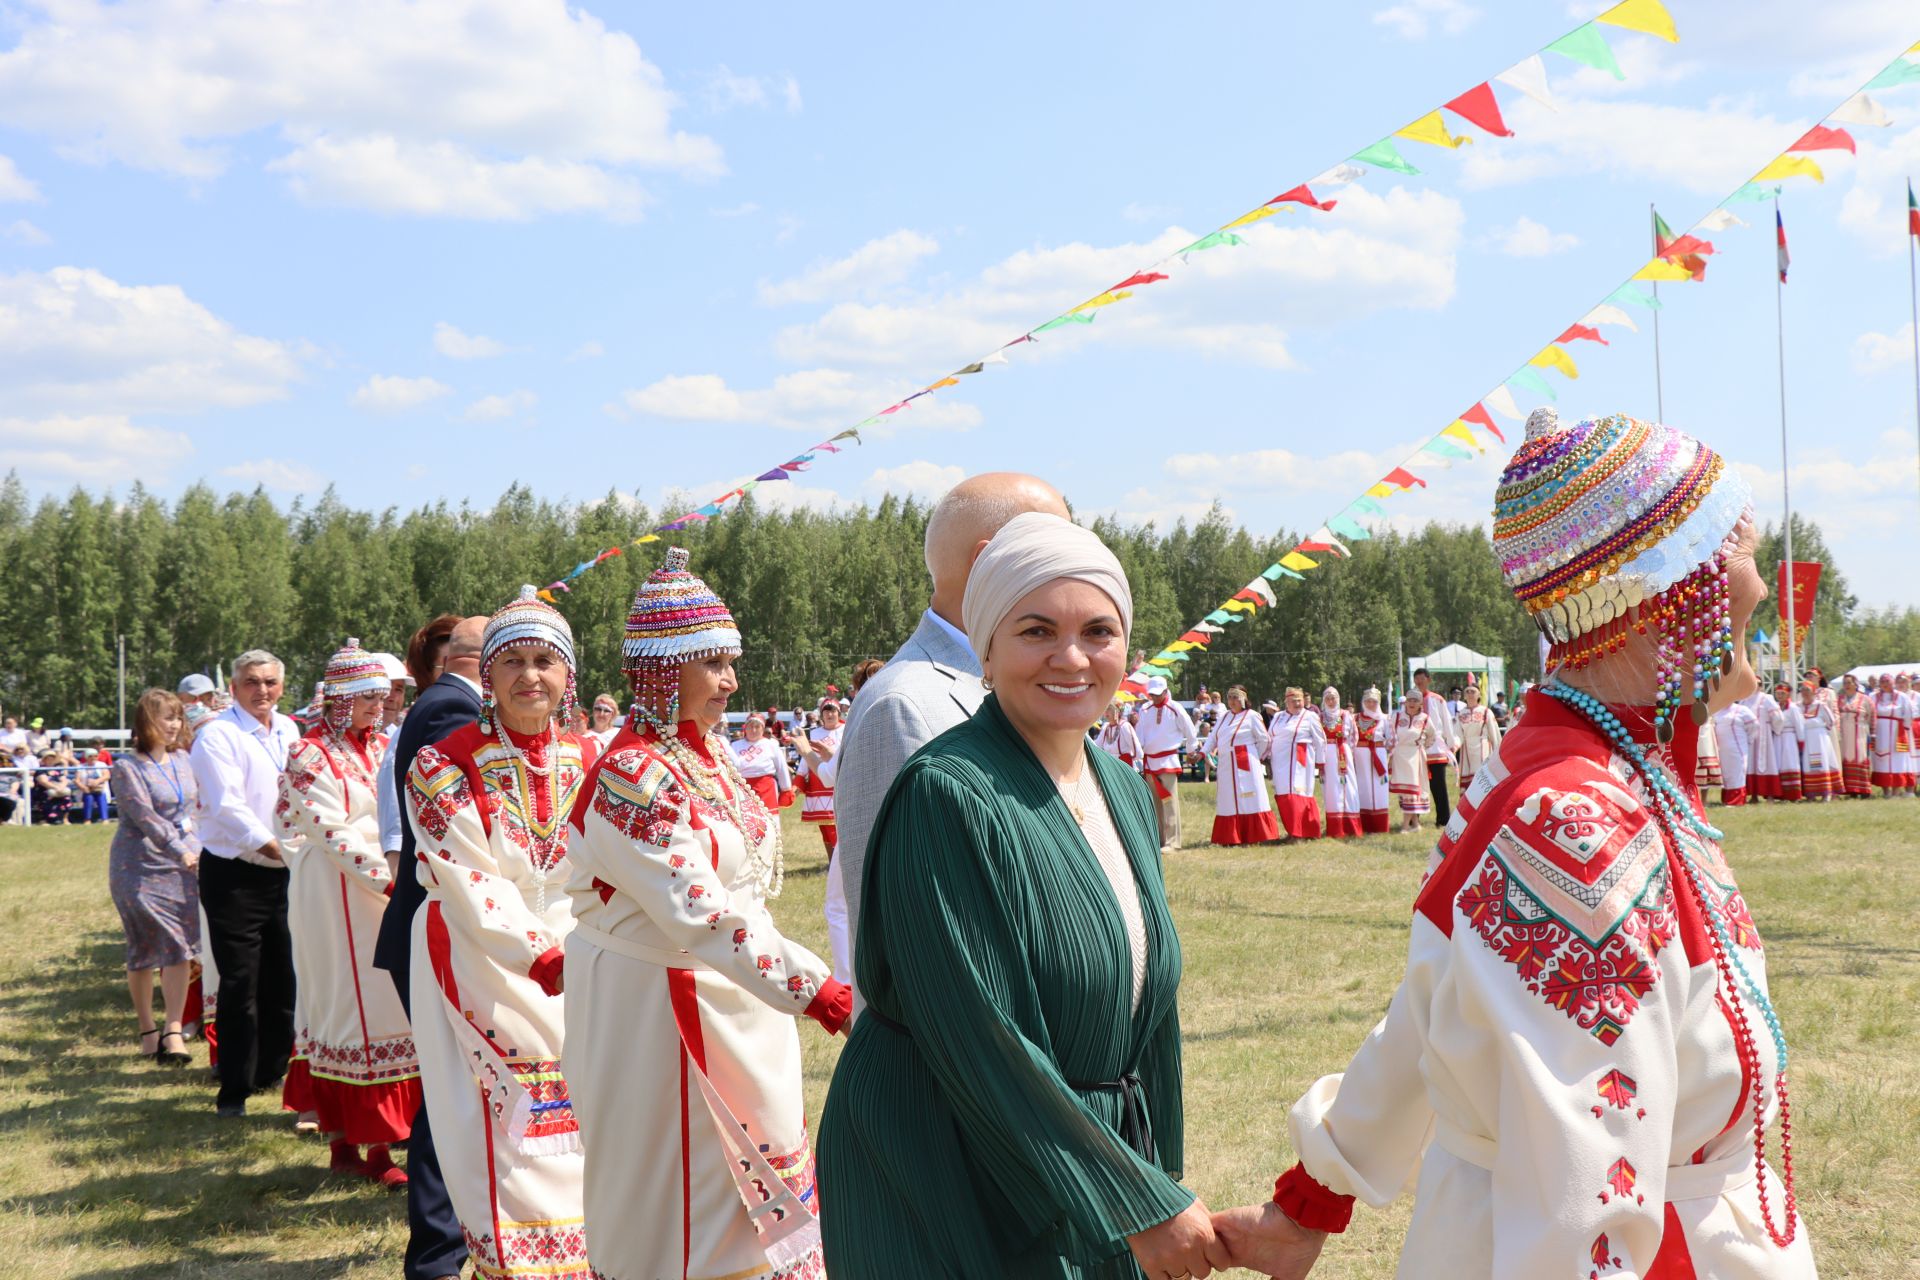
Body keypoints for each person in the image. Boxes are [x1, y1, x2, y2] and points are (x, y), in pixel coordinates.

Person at [1213, 408, 1816, 1280]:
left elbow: (1433, 1003)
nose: (1763, 588)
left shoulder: (1569, 768)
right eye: (1746, 555)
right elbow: (1580, 1194)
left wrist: (1316, 1197)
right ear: (1678, 589)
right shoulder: (1575, 822)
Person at [820, 511, 1225, 1280]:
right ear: (987, 647)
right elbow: (978, 1038)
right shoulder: (946, 795)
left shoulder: (1124, 791)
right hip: (951, 1171)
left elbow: (1149, 1021)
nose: (1071, 658)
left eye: (1098, 632)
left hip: (1076, 1163)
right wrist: (1131, 1202)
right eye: (1037, 630)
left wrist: (1156, 1180)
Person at [563, 548, 848, 1280]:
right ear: (663, 670)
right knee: (678, 1180)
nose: (731, 680)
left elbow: (738, 896)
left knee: (754, 1155)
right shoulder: (631, 776)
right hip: (659, 1003)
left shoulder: (709, 756)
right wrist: (817, 989)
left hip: (732, 989)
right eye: (713, 663)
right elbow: (699, 911)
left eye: (730, 662)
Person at [405, 590, 595, 1280]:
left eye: (545, 660)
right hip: (477, 955)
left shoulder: (594, 758)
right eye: (511, 660)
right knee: (507, 1136)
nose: (529, 676)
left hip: (581, 961)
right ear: (485, 674)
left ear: (568, 674)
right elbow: (466, 878)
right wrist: (543, 954)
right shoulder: (441, 764)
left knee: (585, 1128)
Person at [830, 471, 1071, 1002]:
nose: (1075, 567)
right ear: (987, 560)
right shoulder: (907, 706)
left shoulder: (1028, 683)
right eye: (1054, 548)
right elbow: (916, 946)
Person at [273, 639, 418, 1186]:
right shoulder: (309, 753)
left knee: (384, 1008)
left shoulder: (381, 747)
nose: (376, 707)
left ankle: (375, 1140)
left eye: (380, 698)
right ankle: (354, 1144)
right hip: (334, 894)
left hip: (375, 892)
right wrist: (386, 877)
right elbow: (327, 828)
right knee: (342, 1005)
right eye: (365, 698)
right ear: (338, 699)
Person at [376, 614, 486, 1280]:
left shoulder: (444, 703)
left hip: (443, 925)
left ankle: (454, 1241)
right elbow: (468, 831)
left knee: (457, 1088)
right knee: (452, 1090)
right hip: (447, 926)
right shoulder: (450, 711)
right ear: (481, 659)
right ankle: (440, 1254)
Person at [190, 649, 300, 1118]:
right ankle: (233, 1088)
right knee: (239, 980)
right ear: (233, 689)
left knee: (284, 975)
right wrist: (275, 847)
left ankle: (272, 1069)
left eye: (271, 682)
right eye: (252, 682)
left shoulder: (290, 729)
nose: (263, 691)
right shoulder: (217, 736)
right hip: (236, 872)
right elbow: (227, 806)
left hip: (286, 870)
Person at [109, 689, 201, 1065]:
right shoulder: (127, 766)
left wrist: (199, 849)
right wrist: (181, 849)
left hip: (185, 864)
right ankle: (148, 1029)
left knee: (180, 944)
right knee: (146, 947)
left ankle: (174, 1030)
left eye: (177, 717)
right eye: (166, 717)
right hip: (140, 867)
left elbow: (195, 809)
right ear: (146, 721)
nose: (174, 724)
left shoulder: (184, 760)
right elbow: (145, 818)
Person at [1203, 685, 1278, 845]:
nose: (1232, 701)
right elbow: (1212, 738)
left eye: (1235, 697)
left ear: (1243, 699)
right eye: (1229, 697)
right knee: (1228, 798)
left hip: (1246, 761)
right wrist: (1202, 752)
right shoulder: (1223, 717)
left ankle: (1256, 835)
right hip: (1226, 763)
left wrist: (1254, 755)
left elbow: (1264, 739)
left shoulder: (1252, 716)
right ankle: (1231, 836)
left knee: (1250, 797)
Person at [1136, 677, 1198, 852]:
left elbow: (1189, 729)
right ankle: (1159, 839)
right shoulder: (1145, 709)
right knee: (1154, 802)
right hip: (1150, 760)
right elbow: (1139, 734)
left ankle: (1172, 841)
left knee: (1169, 801)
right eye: (1152, 694)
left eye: (1157, 694)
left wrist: (1192, 748)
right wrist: (1139, 755)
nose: (1154, 698)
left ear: (1165, 691)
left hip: (1168, 759)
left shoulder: (1175, 708)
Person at [1266, 688, 1325, 841]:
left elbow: (1320, 740)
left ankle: (1303, 832)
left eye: (1300, 700)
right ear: (1286, 702)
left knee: (1298, 794)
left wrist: (1321, 762)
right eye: (1294, 701)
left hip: (1299, 761)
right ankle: (1292, 830)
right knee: (1283, 794)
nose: (1298, 704)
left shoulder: (1310, 716)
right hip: (1279, 761)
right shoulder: (1278, 716)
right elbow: (1270, 736)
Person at [796, 698, 843, 857]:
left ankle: (840, 860)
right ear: (822, 714)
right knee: (824, 828)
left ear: (838, 713)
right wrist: (799, 780)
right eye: (826, 711)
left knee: (837, 826)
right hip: (818, 782)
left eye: (833, 711)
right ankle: (831, 860)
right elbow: (806, 757)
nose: (830, 714)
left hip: (838, 782)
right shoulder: (814, 733)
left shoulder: (846, 730)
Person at [1411, 668, 1457, 826]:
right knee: (1416, 785)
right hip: (1415, 748)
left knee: (1439, 785)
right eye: (1416, 679)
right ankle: (1414, 819)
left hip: (1436, 748)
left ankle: (1443, 819)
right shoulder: (1410, 701)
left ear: (1428, 680)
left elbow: (1447, 722)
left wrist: (1451, 744)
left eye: (1422, 679)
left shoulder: (1438, 700)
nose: (1419, 682)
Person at [1386, 691, 1436, 833]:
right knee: (1405, 791)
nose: (1412, 703)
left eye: (1415, 700)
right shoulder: (1396, 717)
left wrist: (1421, 746)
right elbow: (1389, 735)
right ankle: (1415, 824)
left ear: (1421, 703)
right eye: (1409, 700)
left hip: (1415, 756)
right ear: (1405, 702)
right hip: (1400, 756)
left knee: (1413, 790)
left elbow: (1432, 736)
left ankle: (1405, 825)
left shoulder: (1425, 719)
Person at [1317, 689, 1361, 840]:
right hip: (1326, 754)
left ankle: (1350, 825)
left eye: (1333, 698)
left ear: (1338, 699)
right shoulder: (1320, 716)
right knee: (1331, 788)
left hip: (1343, 752)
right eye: (1328, 698)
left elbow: (1354, 735)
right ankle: (1335, 827)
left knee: (1348, 786)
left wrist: (1347, 751)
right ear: (1324, 700)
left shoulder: (1346, 715)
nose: (1331, 701)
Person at [728, 712, 793, 810]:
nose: (753, 730)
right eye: (750, 726)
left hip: (766, 789)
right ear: (745, 728)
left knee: (770, 820)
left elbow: (781, 767)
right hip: (741, 789)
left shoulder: (771, 744)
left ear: (762, 728)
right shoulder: (735, 746)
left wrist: (786, 789)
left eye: (757, 727)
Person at [1352, 688, 1392, 836]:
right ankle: (1363, 824)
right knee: (1361, 788)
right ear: (1363, 702)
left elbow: (1392, 739)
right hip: (1359, 757)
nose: (1370, 704)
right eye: (1368, 701)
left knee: (1378, 789)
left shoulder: (1384, 719)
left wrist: (1386, 754)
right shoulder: (1355, 718)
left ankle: (1379, 825)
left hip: (1377, 756)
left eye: (1374, 701)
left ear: (1378, 702)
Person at [1452, 680, 1502, 795]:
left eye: (1473, 691)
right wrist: (1452, 748)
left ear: (1479, 694)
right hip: (1467, 751)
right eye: (1467, 691)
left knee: (1483, 783)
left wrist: (1498, 752)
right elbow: (1457, 735)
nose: (1470, 694)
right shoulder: (1461, 713)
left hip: (1483, 748)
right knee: (1468, 788)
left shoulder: (1486, 712)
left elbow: (1494, 734)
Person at [1871, 673, 1914, 795]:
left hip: (1896, 732)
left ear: (1893, 683)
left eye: (1887, 682)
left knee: (1897, 760)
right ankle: (1885, 790)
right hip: (1879, 732)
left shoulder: (1902, 697)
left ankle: (1896, 790)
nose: (1885, 684)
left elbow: (1908, 714)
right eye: (1882, 682)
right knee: (1880, 758)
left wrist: (1904, 729)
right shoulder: (1873, 697)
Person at [1796, 680, 1838, 801]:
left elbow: (1831, 721)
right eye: (1802, 690)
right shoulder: (1798, 706)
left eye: (1807, 690)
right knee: (1808, 765)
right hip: (1805, 739)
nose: (1804, 693)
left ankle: (1826, 793)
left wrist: (1822, 732)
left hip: (1819, 739)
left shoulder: (1820, 705)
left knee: (1821, 764)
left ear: (1813, 692)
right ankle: (1811, 793)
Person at [1835, 673, 1873, 798]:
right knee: (1845, 757)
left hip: (1859, 732)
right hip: (1844, 733)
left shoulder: (1865, 699)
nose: (1846, 685)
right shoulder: (1839, 699)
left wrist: (1872, 733)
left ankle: (1863, 789)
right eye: (1844, 683)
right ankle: (1850, 789)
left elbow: (1872, 716)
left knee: (1860, 757)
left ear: (1855, 684)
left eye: (1849, 683)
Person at [1715, 698, 1757, 806]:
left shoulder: (1742, 710)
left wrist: (1749, 739)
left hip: (1737, 747)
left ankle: (1736, 800)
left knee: (1737, 772)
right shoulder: (1717, 711)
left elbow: (1754, 726)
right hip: (1722, 749)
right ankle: (1726, 799)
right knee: (1726, 773)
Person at [1769, 683, 1804, 802]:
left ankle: (1793, 794)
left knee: (1790, 763)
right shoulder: (1776, 707)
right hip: (1777, 737)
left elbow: (1799, 725)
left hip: (1789, 737)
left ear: (1788, 693)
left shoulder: (1793, 708)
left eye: (1782, 693)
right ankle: (1781, 794)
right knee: (1779, 764)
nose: (1779, 695)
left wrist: (1801, 741)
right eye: (1777, 693)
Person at [1746, 688, 1781, 801]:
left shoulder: (1767, 698)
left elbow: (1777, 716)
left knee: (1768, 763)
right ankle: (1754, 795)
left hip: (1764, 734)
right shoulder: (1744, 699)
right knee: (1751, 764)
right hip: (1750, 735)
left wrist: (1775, 729)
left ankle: (1770, 794)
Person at [1095, 700, 1143, 768]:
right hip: (1109, 765)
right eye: (1105, 709)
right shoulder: (1106, 727)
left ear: (1117, 712)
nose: (1106, 712)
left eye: (1109, 709)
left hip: (1124, 765)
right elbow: (1096, 745)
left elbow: (1137, 750)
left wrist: (1130, 760)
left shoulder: (1124, 726)